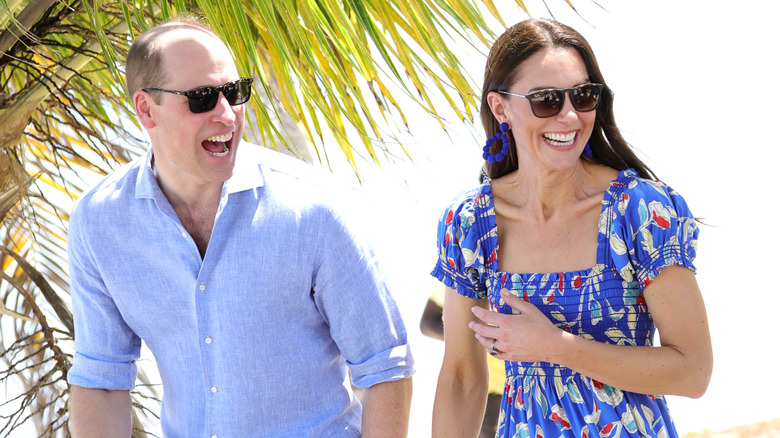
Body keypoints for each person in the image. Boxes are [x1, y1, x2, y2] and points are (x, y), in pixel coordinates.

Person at [67, 16, 413, 437]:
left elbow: (385, 367)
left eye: (234, 92)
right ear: (146, 109)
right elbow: (102, 381)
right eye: (201, 99)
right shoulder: (100, 223)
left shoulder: (314, 209)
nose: (227, 114)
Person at [430, 18, 712, 438]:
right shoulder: (470, 224)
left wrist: (555, 347)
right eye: (546, 100)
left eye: (582, 96)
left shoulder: (639, 210)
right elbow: (461, 379)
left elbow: (693, 371)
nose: (569, 116)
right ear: (500, 107)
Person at [420, 282, 503, 438]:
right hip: (486, 391)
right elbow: (428, 322)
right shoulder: (465, 265)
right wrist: (480, 340)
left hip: (534, 387)